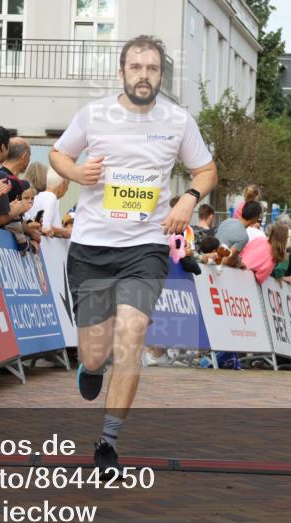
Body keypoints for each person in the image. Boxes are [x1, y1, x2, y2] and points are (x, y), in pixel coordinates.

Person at [49, 34, 216, 474]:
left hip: (145, 247)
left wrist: (189, 199)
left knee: (131, 337)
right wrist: (76, 172)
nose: (144, 75)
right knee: (94, 354)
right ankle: (91, 367)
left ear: (161, 75)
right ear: (122, 72)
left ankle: (108, 443)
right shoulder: (95, 114)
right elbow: (58, 154)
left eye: (152, 68)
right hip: (92, 246)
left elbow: (206, 169)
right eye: (137, 67)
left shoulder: (177, 120)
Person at [25, 162, 70, 238]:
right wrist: (66, 231)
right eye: (67, 185)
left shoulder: (39, 195)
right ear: (62, 184)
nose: (67, 189)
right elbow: (45, 227)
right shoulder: (51, 196)